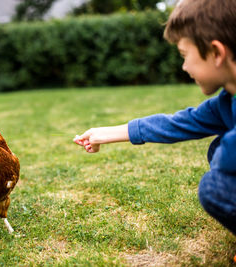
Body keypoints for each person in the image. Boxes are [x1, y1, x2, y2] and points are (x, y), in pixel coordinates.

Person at [74, 0, 236, 242]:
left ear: (216, 53)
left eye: (184, 55)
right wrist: (105, 133)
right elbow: (179, 124)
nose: (183, 66)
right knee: (218, 149)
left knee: (215, 186)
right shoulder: (227, 100)